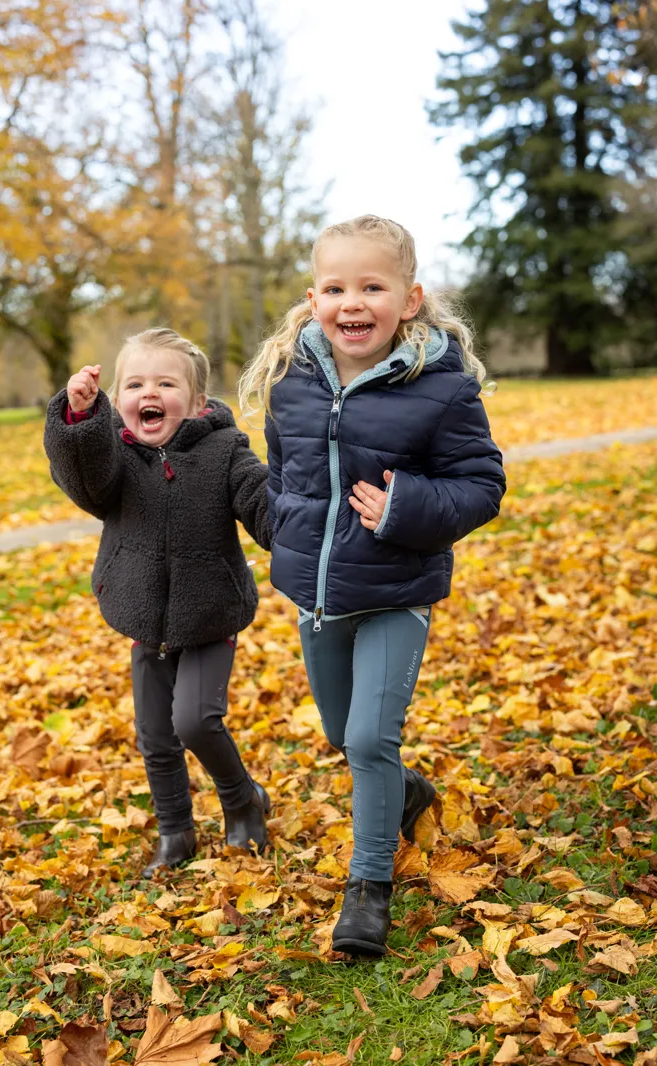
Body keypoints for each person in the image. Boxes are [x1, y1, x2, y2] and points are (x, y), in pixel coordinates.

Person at [238, 215, 506, 956]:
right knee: (342, 736)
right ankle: (407, 794)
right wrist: (288, 532)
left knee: (366, 737)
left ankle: (367, 891)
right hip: (320, 597)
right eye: (335, 287)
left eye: (371, 286)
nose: (351, 302)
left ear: (409, 299)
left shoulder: (440, 385)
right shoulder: (292, 380)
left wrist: (404, 509)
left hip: (396, 588)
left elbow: (482, 484)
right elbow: (286, 472)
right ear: (313, 296)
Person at [45, 328, 272, 878]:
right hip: (143, 612)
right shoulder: (114, 459)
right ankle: (175, 831)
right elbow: (85, 484)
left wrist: (292, 513)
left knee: (195, 720)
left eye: (166, 383)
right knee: (155, 735)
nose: (150, 392)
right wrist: (79, 422)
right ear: (117, 400)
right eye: (135, 384)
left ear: (196, 403)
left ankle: (243, 800)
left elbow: (262, 504)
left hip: (210, 610)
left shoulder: (224, 452)